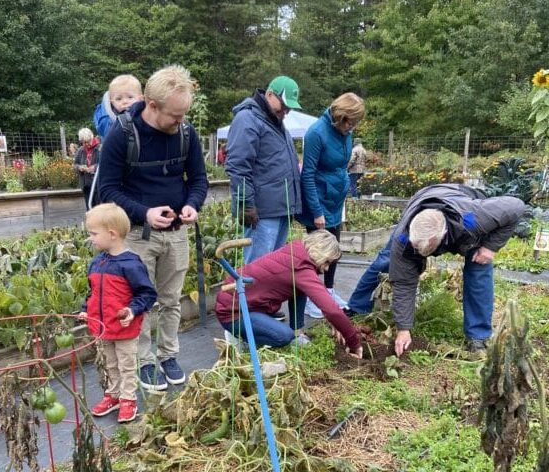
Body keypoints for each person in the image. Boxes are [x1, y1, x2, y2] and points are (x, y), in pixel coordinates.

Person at [99, 64, 208, 391]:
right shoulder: (122, 134)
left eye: (184, 114)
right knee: (140, 301)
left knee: (172, 300)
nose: (181, 121)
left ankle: (169, 354)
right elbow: (108, 189)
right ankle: (144, 361)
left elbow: (199, 180)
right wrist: (144, 213)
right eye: (175, 115)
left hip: (176, 234)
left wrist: (193, 204)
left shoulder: (186, 133)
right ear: (152, 104)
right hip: (137, 235)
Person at [345, 184, 526, 356]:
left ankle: (478, 337)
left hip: (461, 212)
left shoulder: (475, 218)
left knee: (479, 269)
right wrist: (403, 329)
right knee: (385, 261)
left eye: (426, 250)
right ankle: (356, 307)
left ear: (443, 237)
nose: (420, 255)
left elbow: (516, 207)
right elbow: (404, 284)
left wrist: (491, 247)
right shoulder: (404, 238)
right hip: (422, 202)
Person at [215, 230, 369, 356]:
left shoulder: (297, 251)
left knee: (300, 291)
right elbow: (331, 310)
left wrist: (337, 324)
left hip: (244, 303)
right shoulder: (301, 267)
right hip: (233, 312)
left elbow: (312, 297)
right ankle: (243, 340)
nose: (327, 268)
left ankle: (296, 332)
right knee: (284, 336)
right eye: (327, 262)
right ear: (320, 252)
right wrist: (354, 342)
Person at [78, 204, 157, 423]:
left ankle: (128, 399)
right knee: (109, 364)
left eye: (94, 233)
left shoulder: (131, 264)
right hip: (101, 327)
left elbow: (147, 294)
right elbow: (93, 292)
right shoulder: (97, 262)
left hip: (124, 327)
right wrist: (86, 311)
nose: (90, 238)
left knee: (126, 364)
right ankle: (113, 395)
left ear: (112, 234)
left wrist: (132, 310)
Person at [297, 93, 366, 318]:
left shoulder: (346, 132)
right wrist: (316, 212)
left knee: (335, 249)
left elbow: (341, 166)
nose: (353, 127)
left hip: (335, 199)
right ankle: (310, 299)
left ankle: (328, 291)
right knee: (318, 253)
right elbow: (307, 174)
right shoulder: (316, 133)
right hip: (318, 199)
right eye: (351, 122)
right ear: (340, 117)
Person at [225, 75, 303, 265]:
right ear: (269, 94)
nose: (286, 111)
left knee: (272, 271)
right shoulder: (248, 119)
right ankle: (251, 296)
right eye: (283, 105)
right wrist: (246, 204)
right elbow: (238, 165)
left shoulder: (274, 120)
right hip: (261, 212)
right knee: (257, 269)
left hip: (279, 208)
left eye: (289, 108)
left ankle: (264, 297)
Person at [93, 74, 143, 139]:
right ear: (112, 102)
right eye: (118, 99)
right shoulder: (111, 123)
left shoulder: (147, 116)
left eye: (130, 97)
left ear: (141, 98)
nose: (125, 101)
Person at [74, 128, 100, 209]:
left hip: (98, 185)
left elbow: (107, 163)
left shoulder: (101, 148)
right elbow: (75, 164)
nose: (87, 144)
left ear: (92, 138)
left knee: (99, 210)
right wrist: (80, 167)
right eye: (84, 142)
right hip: (86, 186)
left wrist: (95, 167)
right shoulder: (80, 150)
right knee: (89, 210)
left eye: (88, 141)